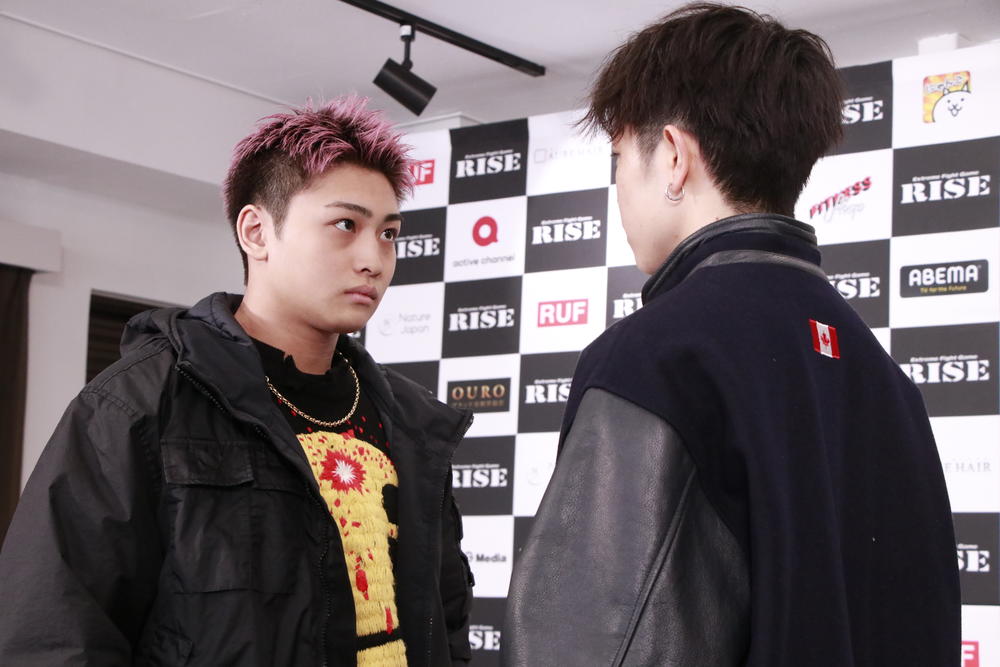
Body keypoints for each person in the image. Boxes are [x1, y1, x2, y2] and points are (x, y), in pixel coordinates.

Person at [503, 4, 959, 666]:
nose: (618, 188)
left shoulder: (654, 360)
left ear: (674, 156)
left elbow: (582, 644)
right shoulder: (885, 378)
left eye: (619, 158)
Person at [0, 97, 474, 666]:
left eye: (389, 233)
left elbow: (445, 622)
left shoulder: (413, 423)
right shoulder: (138, 405)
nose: (374, 259)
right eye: (345, 225)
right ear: (256, 232)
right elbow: (53, 636)